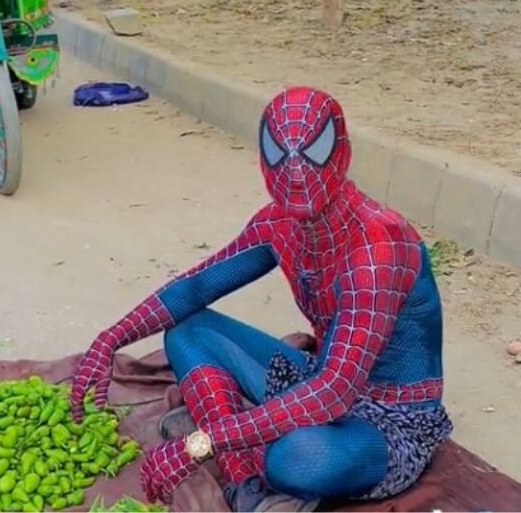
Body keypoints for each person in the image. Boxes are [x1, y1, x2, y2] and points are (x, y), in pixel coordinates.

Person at [69, 87, 452, 513]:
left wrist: (200, 444)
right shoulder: (279, 224)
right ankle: (243, 478)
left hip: (391, 420)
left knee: (296, 459)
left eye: (314, 150)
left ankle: (238, 440)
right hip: (316, 376)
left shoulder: (379, 247)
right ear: (262, 162)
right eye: (278, 152)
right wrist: (110, 339)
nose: (296, 169)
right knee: (187, 330)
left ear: (341, 154)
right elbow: (194, 288)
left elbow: (334, 393)